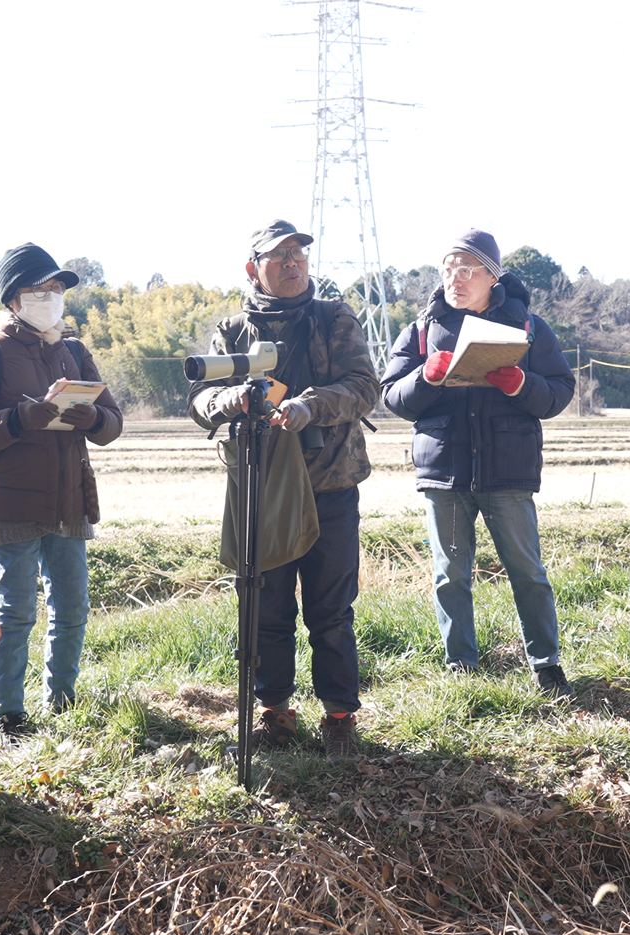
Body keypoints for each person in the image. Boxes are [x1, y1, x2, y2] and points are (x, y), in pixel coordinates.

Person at [188, 219, 380, 763]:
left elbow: (364, 387)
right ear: (254, 269)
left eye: (299, 254)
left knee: (331, 610)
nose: (293, 263)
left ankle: (339, 717)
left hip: (330, 484)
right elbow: (200, 397)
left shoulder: (334, 317)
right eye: (280, 256)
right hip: (263, 488)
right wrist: (229, 402)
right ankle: (274, 712)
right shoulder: (233, 331)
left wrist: (308, 407)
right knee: (264, 607)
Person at [381, 229, 576, 697]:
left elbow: (559, 392)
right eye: (448, 269)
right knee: (450, 575)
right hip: (444, 472)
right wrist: (425, 377)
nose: (455, 278)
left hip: (507, 470)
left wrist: (520, 384)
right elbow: (391, 396)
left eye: (466, 269)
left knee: (528, 571)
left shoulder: (528, 327)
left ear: (493, 276)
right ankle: (461, 666)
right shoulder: (421, 330)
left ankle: (546, 665)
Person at [0, 244, 122, 745]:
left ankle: (63, 701)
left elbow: (113, 423)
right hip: (10, 504)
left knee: (72, 610)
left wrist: (92, 418)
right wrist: (21, 417)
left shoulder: (73, 351)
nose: (51, 297)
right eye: (39, 289)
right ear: (12, 299)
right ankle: (8, 715)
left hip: (70, 500)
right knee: (14, 613)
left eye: (56, 288)